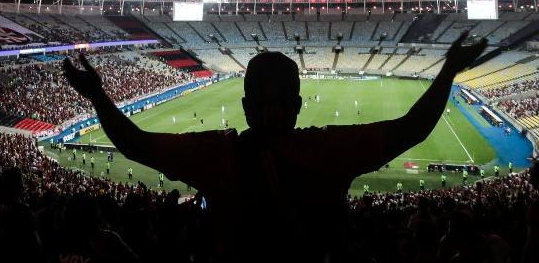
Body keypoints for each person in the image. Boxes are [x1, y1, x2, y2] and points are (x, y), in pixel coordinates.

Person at [63, 31, 486, 262]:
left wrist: (98, 95)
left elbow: (135, 144)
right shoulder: (329, 150)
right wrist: (448, 69)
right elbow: (411, 128)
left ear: (243, 106)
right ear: (299, 106)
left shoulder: (216, 156)